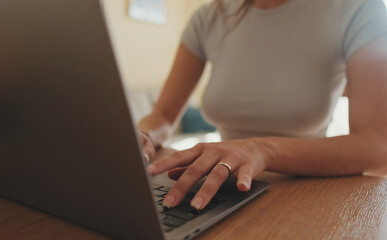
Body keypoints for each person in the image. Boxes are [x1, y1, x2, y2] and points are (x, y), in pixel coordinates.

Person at [137, 0, 387, 211]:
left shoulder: (358, 8)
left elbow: (378, 147)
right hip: (224, 194)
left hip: (307, 193)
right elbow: (163, 115)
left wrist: (264, 150)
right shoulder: (211, 16)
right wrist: (144, 135)